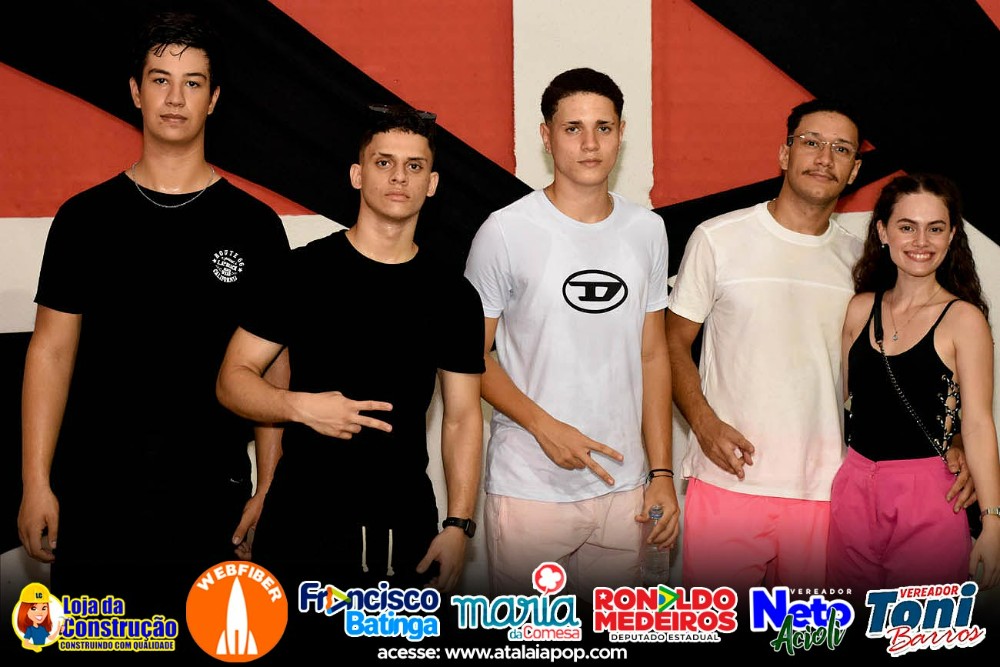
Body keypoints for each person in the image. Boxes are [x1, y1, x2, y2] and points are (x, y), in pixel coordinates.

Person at [17, 9, 290, 624]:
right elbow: (50, 353)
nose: (175, 98)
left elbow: (274, 369)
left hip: (211, 500)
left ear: (214, 99)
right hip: (94, 498)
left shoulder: (255, 227)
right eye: (160, 80)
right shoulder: (84, 220)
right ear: (136, 92)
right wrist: (36, 482)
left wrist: (269, 487)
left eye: (193, 83)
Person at [666, 99, 971, 592]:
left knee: (809, 630)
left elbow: (914, 361)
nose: (825, 158)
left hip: (829, 491)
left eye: (841, 149)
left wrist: (952, 442)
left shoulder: (863, 262)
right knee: (721, 624)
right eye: (811, 142)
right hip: (729, 480)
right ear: (785, 153)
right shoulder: (717, 238)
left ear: (854, 171)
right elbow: (671, 344)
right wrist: (702, 423)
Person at [215, 105, 485, 599]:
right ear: (357, 175)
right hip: (301, 519)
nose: (399, 177)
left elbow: (463, 418)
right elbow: (232, 379)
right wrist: (300, 406)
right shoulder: (300, 273)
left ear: (432, 184)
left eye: (414, 166)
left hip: (403, 523)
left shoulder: (453, 295)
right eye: (384, 163)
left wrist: (459, 525)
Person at [464, 67, 678, 596]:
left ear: (621, 133)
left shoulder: (648, 230)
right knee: (536, 635)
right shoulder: (505, 231)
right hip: (531, 488)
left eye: (603, 128)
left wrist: (662, 474)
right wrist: (545, 427)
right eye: (573, 128)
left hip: (625, 489)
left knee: (617, 633)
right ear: (546, 136)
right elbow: (469, 356)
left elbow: (653, 355)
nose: (590, 143)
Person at [827, 172, 1000, 590]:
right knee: (846, 617)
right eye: (907, 227)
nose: (921, 241)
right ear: (882, 232)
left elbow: (978, 423)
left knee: (919, 622)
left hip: (930, 498)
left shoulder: (964, 320)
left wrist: (993, 523)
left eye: (935, 228)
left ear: (952, 236)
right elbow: (845, 402)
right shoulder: (859, 309)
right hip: (852, 491)